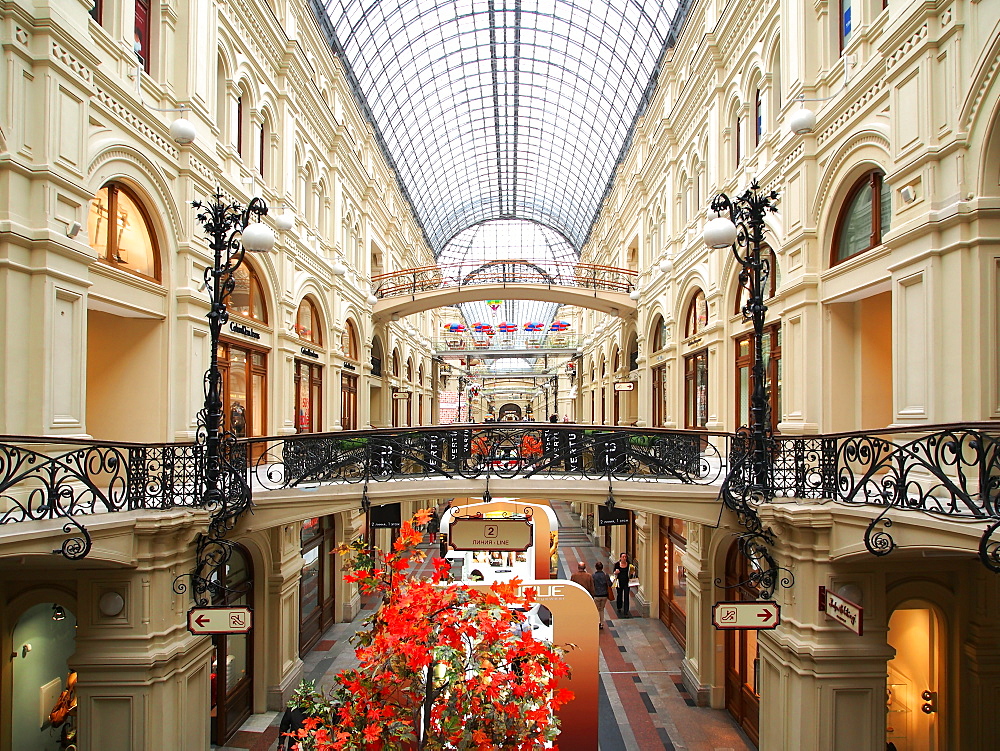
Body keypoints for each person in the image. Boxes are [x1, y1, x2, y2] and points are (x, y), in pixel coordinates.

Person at [592, 561, 612, 629]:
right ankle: (601, 623)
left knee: (597, 609)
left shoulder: (594, 576)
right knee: (602, 609)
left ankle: (597, 621)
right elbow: (610, 584)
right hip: (604, 595)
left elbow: (592, 585)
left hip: (596, 595)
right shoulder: (605, 575)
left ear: (596, 568)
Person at [612, 552, 633, 617]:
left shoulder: (629, 565)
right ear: (620, 558)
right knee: (619, 594)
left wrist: (632, 573)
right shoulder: (617, 565)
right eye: (623, 557)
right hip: (619, 582)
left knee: (626, 596)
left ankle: (626, 611)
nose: (624, 558)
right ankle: (619, 606)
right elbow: (614, 573)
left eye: (625, 557)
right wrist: (616, 572)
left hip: (626, 583)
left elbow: (631, 574)